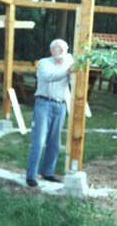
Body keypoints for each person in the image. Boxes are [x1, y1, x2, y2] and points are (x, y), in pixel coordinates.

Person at [26, 39, 74, 188]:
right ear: (51, 51)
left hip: (60, 105)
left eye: (64, 48)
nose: (61, 50)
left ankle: (47, 172)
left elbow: (74, 79)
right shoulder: (44, 63)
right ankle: (31, 176)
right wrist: (67, 70)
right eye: (58, 48)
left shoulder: (69, 61)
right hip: (44, 103)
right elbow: (49, 77)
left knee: (55, 143)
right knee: (38, 141)